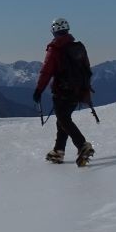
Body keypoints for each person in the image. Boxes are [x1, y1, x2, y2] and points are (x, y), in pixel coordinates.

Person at [32, 17, 95, 166]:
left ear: (54, 32)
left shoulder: (55, 49)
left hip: (62, 91)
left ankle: (82, 145)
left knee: (63, 119)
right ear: (68, 30)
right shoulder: (78, 47)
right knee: (63, 119)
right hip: (78, 90)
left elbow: (46, 71)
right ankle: (58, 151)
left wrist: (38, 90)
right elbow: (86, 68)